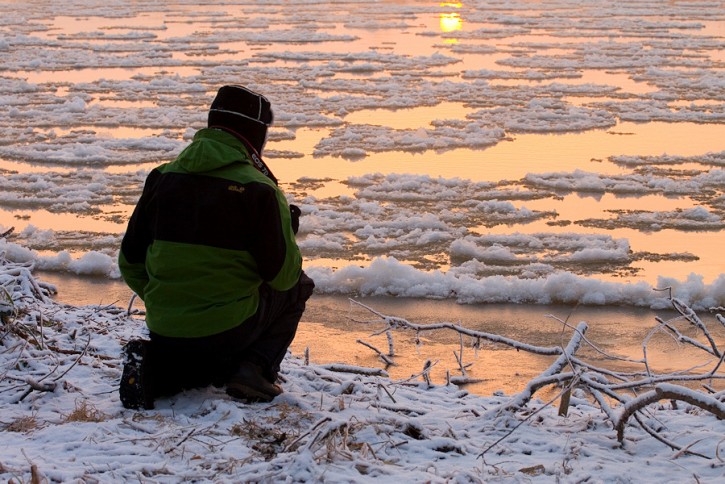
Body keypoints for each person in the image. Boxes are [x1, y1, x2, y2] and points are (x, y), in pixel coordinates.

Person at [118, 85, 314, 410]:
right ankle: (252, 369)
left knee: (193, 363)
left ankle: (154, 363)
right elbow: (283, 277)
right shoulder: (260, 189)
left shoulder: (162, 177)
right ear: (256, 134)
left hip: (166, 327)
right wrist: (286, 237)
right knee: (300, 287)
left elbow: (130, 263)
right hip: (228, 330)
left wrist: (166, 300)